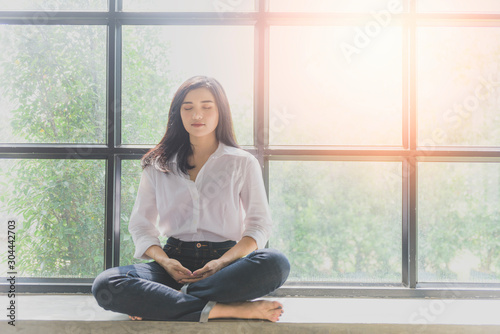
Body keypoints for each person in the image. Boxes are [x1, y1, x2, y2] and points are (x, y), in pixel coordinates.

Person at [92, 76, 290, 322]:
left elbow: (259, 225)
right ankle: (226, 309)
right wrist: (165, 262)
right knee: (107, 284)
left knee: (276, 263)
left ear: (221, 112)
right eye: (188, 108)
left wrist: (222, 262)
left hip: (224, 267)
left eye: (207, 107)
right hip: (173, 263)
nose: (198, 114)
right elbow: (141, 226)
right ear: (179, 113)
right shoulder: (157, 165)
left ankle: (165, 301)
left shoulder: (242, 163)